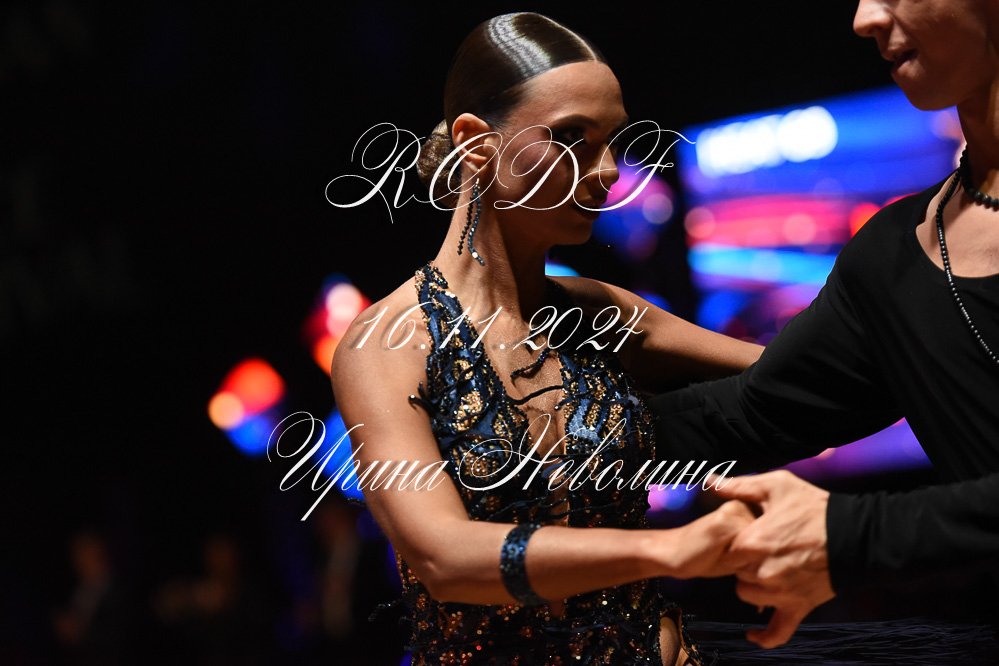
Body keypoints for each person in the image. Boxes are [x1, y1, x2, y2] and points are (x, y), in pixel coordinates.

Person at [330, 12, 767, 666]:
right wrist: (669, 548)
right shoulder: (387, 344)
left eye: (611, 141)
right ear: (477, 144)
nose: (608, 171)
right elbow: (443, 556)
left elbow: (799, 371)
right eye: (572, 139)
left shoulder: (599, 312)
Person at [646, 0, 999, 654]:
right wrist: (518, 428)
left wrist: (850, 535)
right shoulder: (893, 253)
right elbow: (750, 415)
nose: (865, 18)